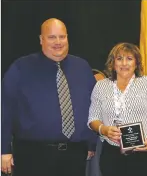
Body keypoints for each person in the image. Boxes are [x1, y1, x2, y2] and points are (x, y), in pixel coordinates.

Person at [1, 18, 97, 176]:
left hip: (75, 155)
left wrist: (91, 143)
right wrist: (3, 149)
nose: (58, 42)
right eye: (52, 37)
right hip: (33, 156)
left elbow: (94, 107)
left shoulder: (82, 67)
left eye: (62, 36)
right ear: (41, 39)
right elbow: (4, 109)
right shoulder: (20, 67)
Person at [88, 42, 147, 176]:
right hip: (112, 156)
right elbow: (92, 119)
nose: (124, 63)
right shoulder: (101, 86)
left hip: (146, 155)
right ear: (113, 63)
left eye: (129, 59)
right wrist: (104, 129)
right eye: (119, 59)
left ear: (136, 63)